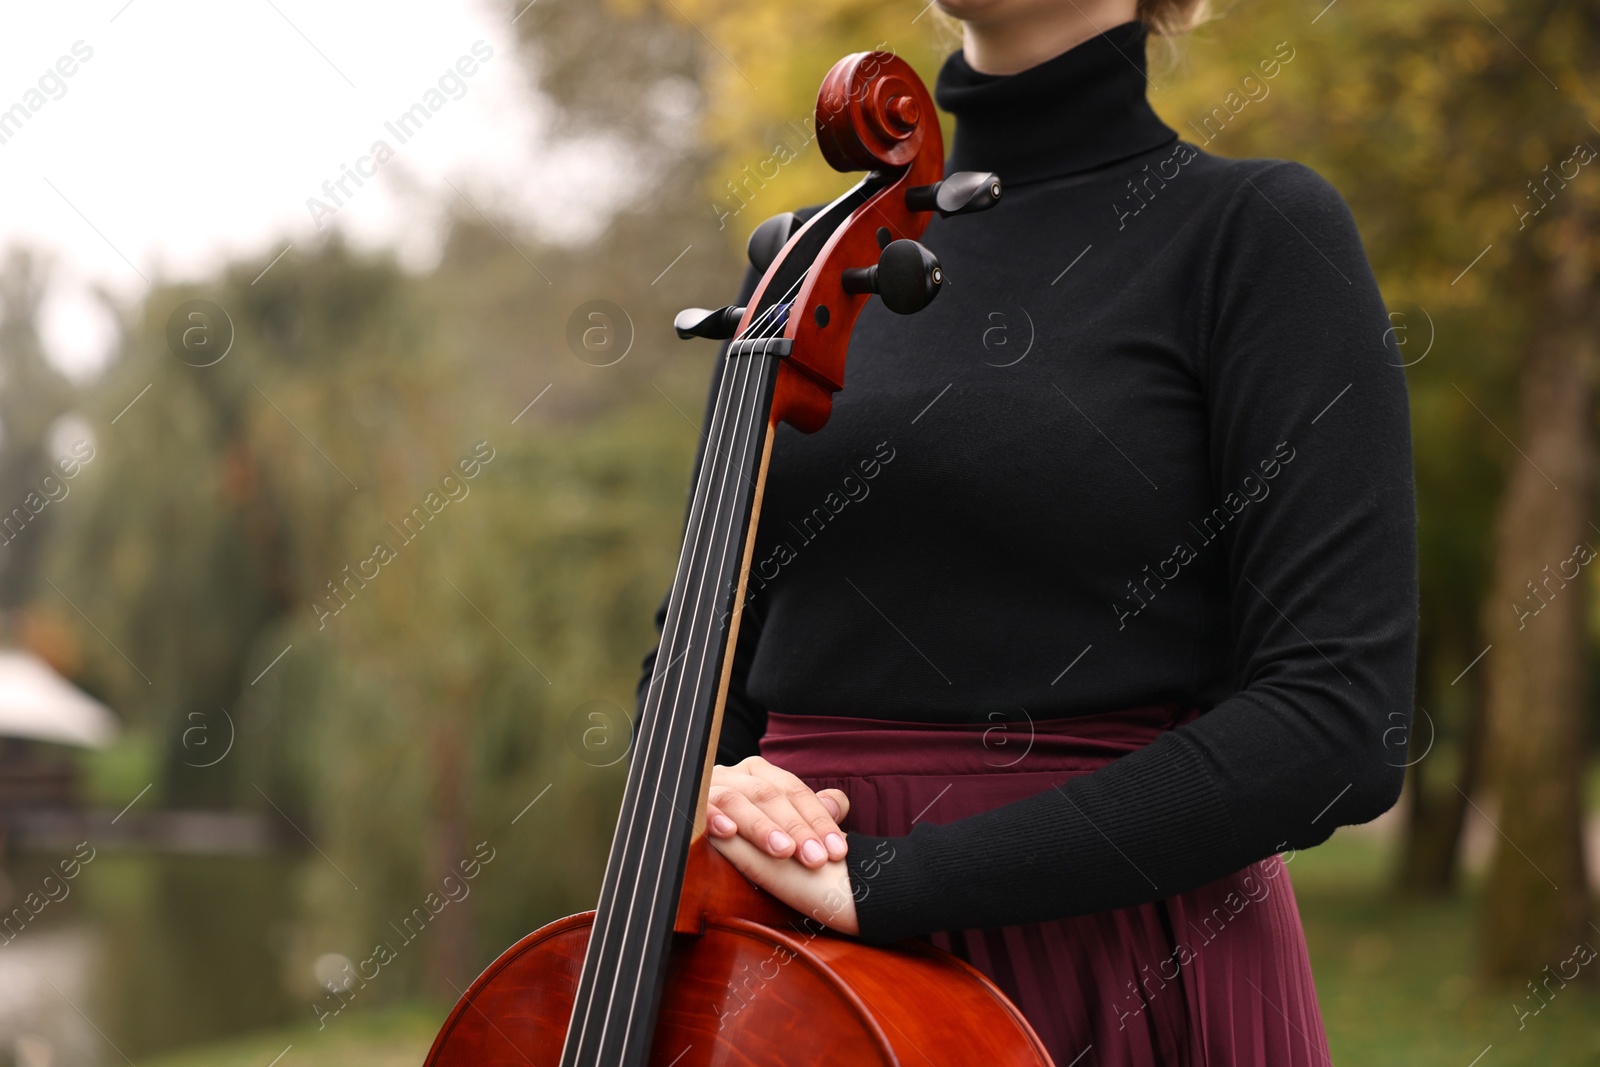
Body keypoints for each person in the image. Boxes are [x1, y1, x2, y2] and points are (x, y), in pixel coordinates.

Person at [639, 1, 1417, 1062]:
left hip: (1112, 964)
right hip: (794, 977)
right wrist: (706, 779)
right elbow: (693, 655)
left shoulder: (1254, 234)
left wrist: (897, 882)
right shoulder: (804, 260)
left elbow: (1336, 720)